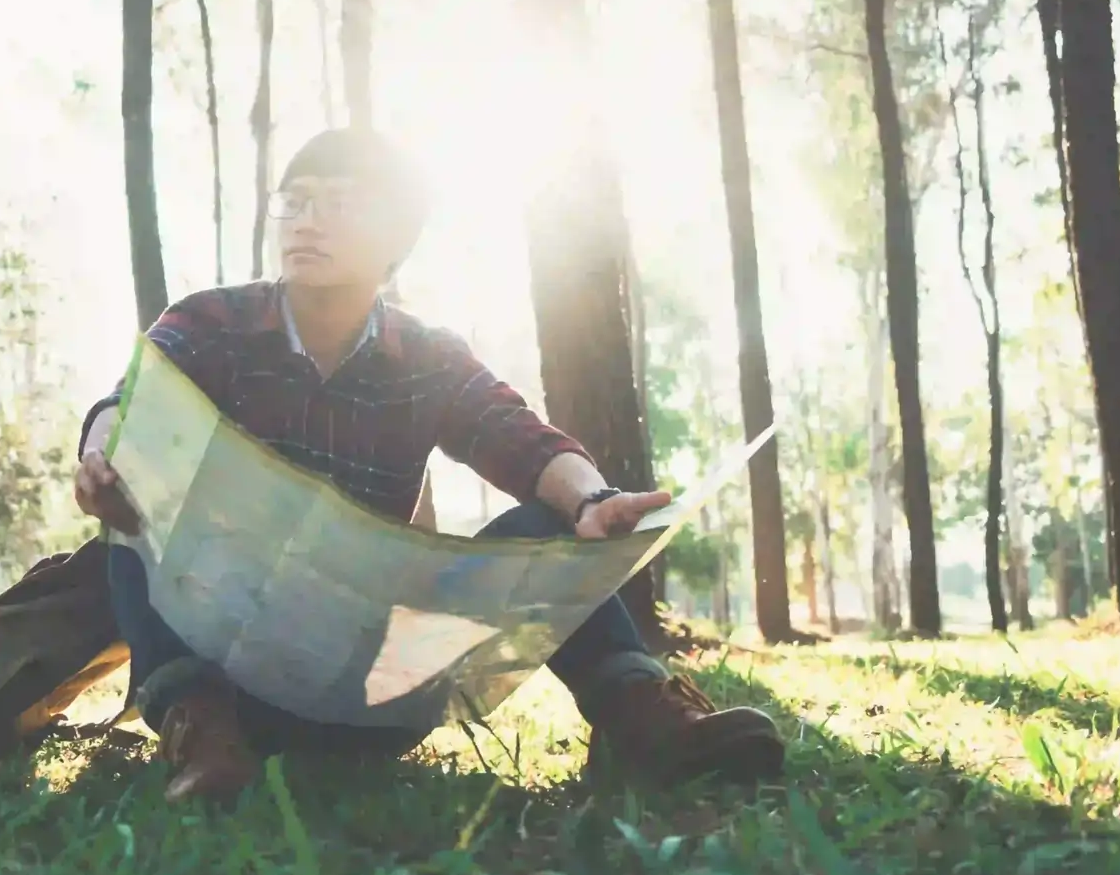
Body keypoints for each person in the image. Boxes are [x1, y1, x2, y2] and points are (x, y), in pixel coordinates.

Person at [75, 128, 785, 802]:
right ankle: (197, 738)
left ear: (395, 241)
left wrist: (591, 498)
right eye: (294, 202)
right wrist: (104, 454)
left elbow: (520, 438)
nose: (305, 221)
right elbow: (128, 404)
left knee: (550, 525)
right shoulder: (212, 323)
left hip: (378, 682)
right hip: (233, 681)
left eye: (340, 203)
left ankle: (641, 719)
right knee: (138, 512)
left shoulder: (428, 357)